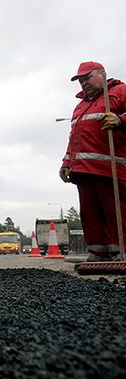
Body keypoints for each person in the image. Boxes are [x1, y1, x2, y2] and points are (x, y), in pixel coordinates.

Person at [60, 61, 126, 262]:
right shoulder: (80, 106)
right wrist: (66, 162)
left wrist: (120, 120)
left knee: (116, 210)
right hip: (82, 170)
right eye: (80, 81)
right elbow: (74, 138)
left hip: (110, 168)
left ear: (103, 75)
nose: (84, 83)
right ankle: (98, 252)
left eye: (87, 77)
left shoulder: (120, 92)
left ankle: (121, 252)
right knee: (90, 214)